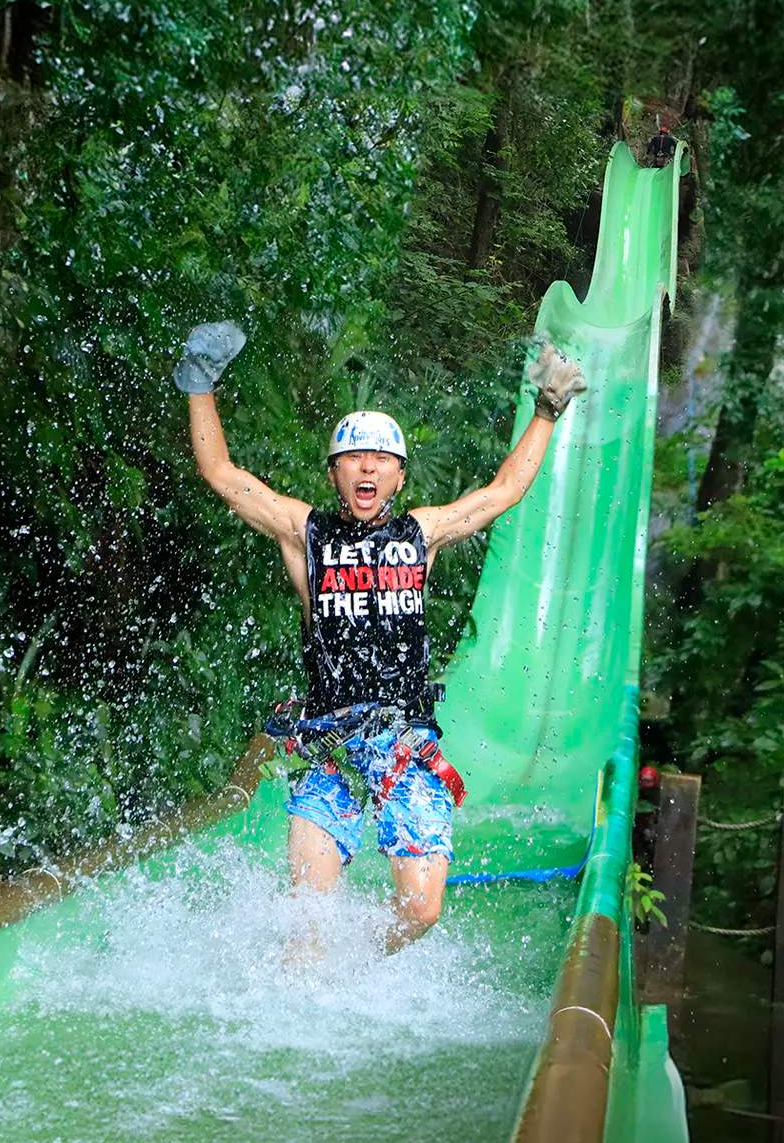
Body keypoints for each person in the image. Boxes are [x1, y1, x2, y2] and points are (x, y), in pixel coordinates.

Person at [173, 324, 586, 953]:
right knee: (305, 919)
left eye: (382, 459)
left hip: (405, 742)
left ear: (397, 476)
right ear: (336, 473)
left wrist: (547, 411)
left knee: (420, 911)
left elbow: (503, 492)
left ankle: (356, 968)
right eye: (353, 458)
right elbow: (222, 473)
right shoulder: (303, 534)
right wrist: (200, 385)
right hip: (331, 741)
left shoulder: (422, 534)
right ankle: (306, 998)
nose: (367, 466)